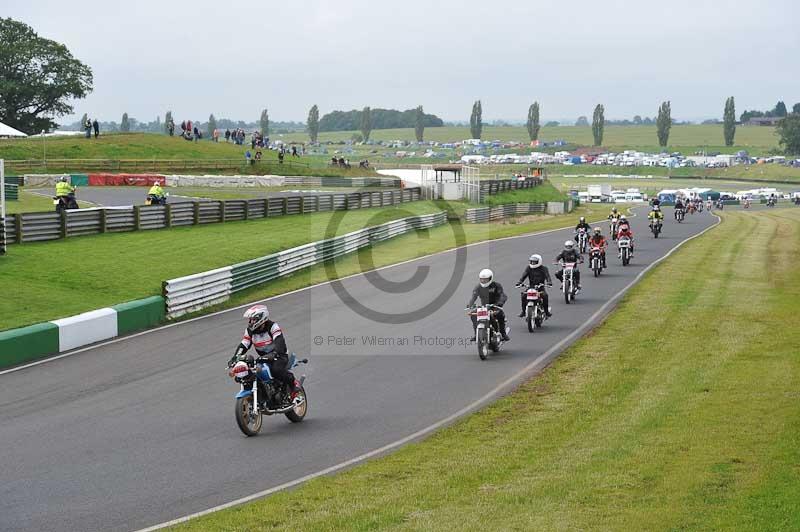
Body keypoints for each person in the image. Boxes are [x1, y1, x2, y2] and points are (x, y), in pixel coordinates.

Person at [231, 304, 300, 404]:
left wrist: (276, 353)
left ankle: (293, 384)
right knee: (253, 372)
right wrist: (235, 357)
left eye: (253, 320)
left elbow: (279, 342)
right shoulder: (250, 331)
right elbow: (244, 344)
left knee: (276, 370)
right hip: (263, 357)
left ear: (261, 318)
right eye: (250, 320)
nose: (251, 322)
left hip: (279, 355)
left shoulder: (273, 327)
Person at [467, 268, 510, 341]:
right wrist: (470, 304)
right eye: (482, 279)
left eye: (485, 279)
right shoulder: (478, 287)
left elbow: (502, 295)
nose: (483, 281)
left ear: (490, 278)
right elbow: (473, 296)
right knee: (473, 314)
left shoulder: (496, 286)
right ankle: (476, 334)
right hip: (484, 307)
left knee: (500, 315)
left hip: (495, 306)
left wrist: (499, 304)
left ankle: (503, 333)